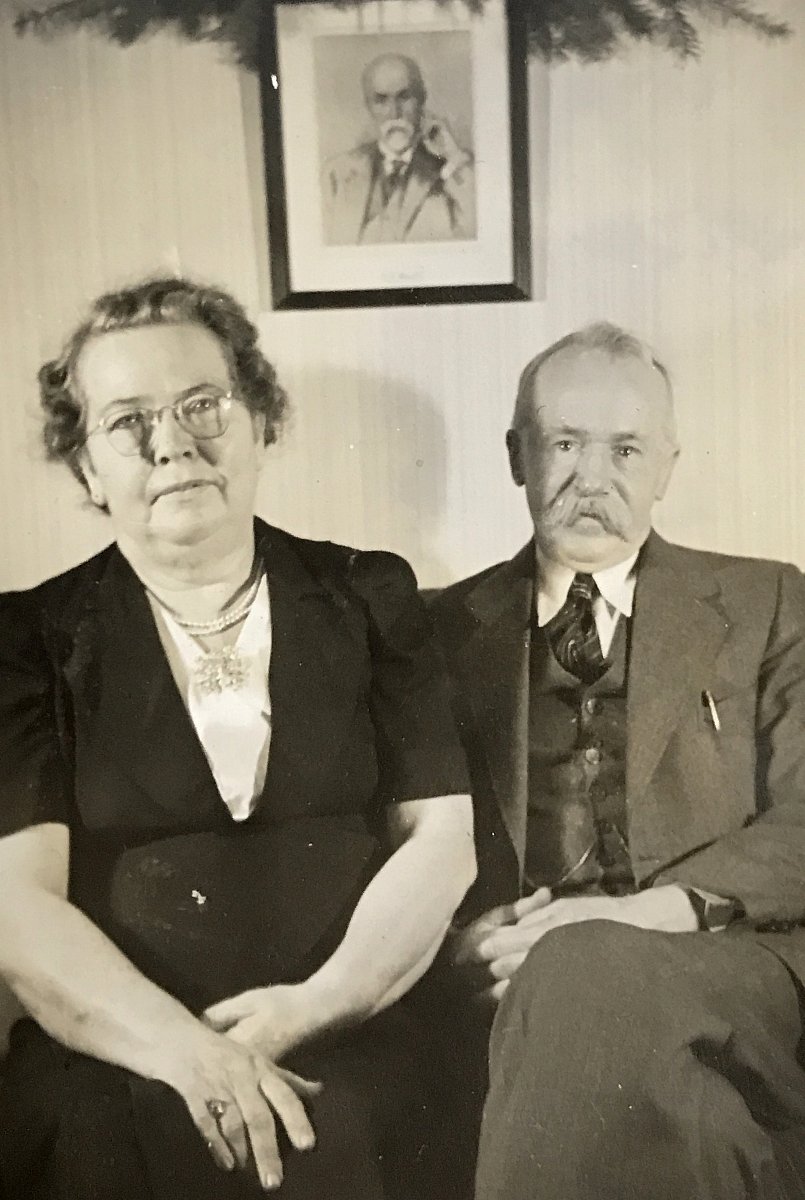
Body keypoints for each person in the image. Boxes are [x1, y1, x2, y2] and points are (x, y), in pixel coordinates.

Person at [0, 277, 475, 1200]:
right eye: (128, 422)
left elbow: (441, 841)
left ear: (260, 422)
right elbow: (21, 907)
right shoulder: (24, 638)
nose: (173, 443)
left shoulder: (369, 594)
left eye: (202, 404)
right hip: (122, 1051)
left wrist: (313, 1008)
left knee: (360, 1129)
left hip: (354, 1025)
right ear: (88, 471)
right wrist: (191, 1054)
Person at [430, 322, 805, 1199]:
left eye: (625, 449)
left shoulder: (768, 600)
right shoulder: (432, 629)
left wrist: (645, 916)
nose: (592, 479)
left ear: (666, 465)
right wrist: (455, 945)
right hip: (516, 980)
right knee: (702, 1129)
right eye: (564, 444)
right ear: (517, 456)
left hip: (730, 968)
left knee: (581, 968)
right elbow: (392, 835)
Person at [321, 52, 475, 245]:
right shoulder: (336, 173)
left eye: (404, 97)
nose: (394, 113)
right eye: (381, 100)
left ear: (421, 99)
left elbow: (479, 231)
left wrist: (452, 156)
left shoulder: (453, 170)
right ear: (368, 106)